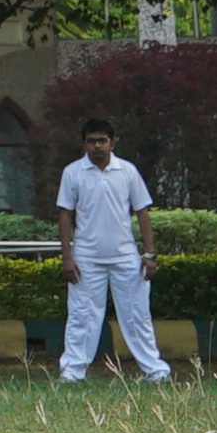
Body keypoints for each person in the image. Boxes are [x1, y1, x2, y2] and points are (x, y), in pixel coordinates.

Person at [55, 114, 171, 384]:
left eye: (102, 141)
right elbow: (65, 215)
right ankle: (73, 372)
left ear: (113, 142)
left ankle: (156, 371)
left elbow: (142, 212)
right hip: (86, 256)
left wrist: (149, 254)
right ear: (84, 144)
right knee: (82, 315)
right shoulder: (72, 172)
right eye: (91, 141)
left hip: (125, 255)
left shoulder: (127, 171)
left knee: (137, 315)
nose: (97, 146)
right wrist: (67, 258)